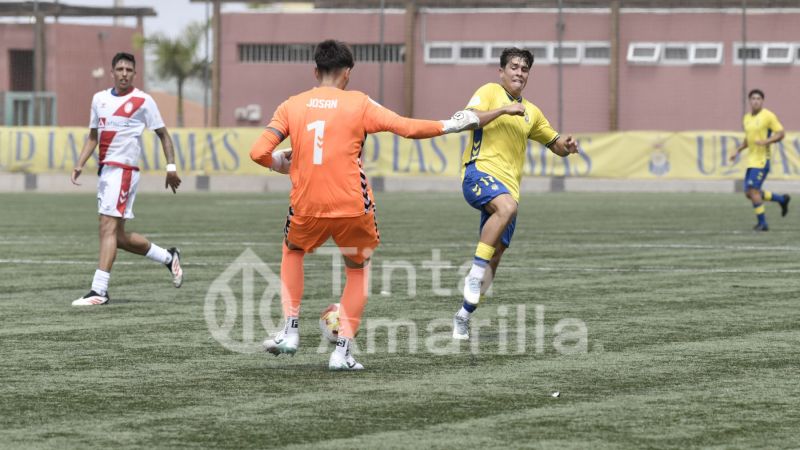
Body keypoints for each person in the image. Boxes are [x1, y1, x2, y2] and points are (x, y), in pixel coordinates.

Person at [250, 40, 522, 370]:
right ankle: (342, 353)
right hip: (353, 206)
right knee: (357, 271)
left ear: (315, 71)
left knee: (292, 251)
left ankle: (291, 331)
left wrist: (286, 165)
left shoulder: (291, 105)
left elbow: (258, 153)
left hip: (306, 205)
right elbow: (407, 128)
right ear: (347, 73)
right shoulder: (359, 103)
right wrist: (453, 123)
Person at [452, 47, 580, 340]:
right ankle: (473, 273)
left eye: (524, 69)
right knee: (507, 208)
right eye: (514, 67)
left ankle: (463, 315)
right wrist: (503, 109)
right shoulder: (488, 92)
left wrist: (567, 147)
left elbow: (555, 143)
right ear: (501, 71)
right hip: (477, 173)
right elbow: (467, 119)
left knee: (495, 258)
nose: (519, 73)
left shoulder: (531, 112)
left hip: (509, 189)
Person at [70, 52, 184, 306]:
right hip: (105, 173)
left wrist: (171, 167)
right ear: (112, 72)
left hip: (124, 172)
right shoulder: (99, 99)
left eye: (128, 70)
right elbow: (93, 136)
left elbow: (164, 135)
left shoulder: (143, 100)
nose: (124, 73)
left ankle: (99, 290)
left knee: (106, 229)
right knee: (117, 236)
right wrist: (80, 163)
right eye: (119, 69)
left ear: (134, 73)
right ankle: (168, 256)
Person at [729, 89, 789, 231]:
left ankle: (763, 224)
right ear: (749, 101)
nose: (755, 101)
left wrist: (766, 141)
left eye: (758, 98)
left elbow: (781, 133)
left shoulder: (768, 116)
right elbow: (748, 140)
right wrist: (737, 150)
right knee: (749, 193)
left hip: (762, 160)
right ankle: (782, 199)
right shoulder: (747, 118)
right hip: (751, 161)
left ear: (762, 101)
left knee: (753, 190)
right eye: (753, 98)